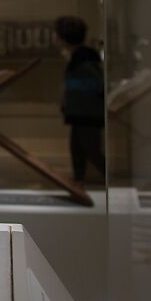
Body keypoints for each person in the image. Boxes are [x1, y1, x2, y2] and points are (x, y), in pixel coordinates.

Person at [54, 16, 106, 185]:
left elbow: (93, 84)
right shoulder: (79, 56)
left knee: (90, 149)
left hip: (87, 112)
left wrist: (69, 96)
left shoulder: (83, 57)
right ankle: (79, 178)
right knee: (77, 148)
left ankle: (105, 177)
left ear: (62, 37)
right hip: (82, 111)